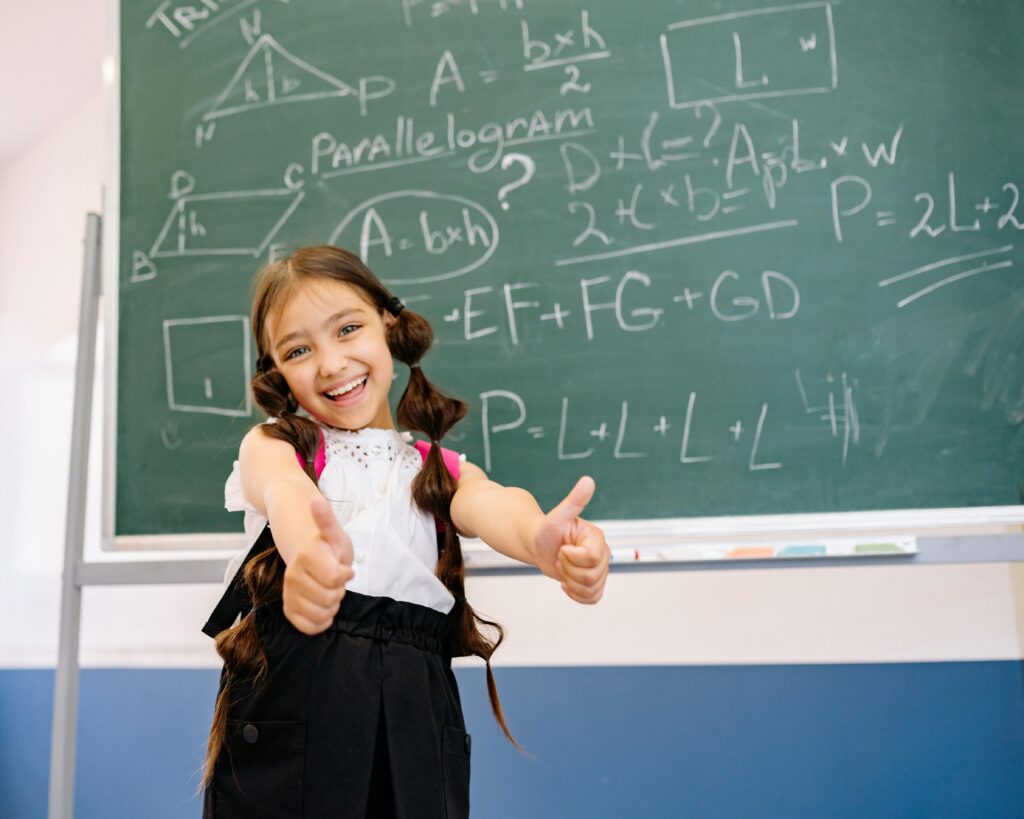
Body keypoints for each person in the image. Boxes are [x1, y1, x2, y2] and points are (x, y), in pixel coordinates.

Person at [199, 245, 610, 818]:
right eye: (298, 349)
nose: (331, 362)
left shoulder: (433, 469)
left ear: (389, 328)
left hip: (415, 704)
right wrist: (310, 554)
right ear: (277, 373)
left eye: (348, 329)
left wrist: (541, 540)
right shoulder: (279, 445)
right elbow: (282, 492)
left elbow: (494, 502)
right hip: (298, 698)